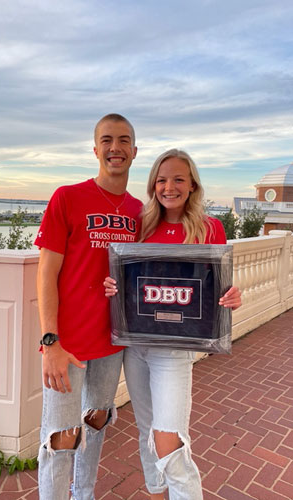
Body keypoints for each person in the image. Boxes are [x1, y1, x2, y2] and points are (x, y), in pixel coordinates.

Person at [105, 149, 241, 500]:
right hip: (136, 346)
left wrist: (232, 297)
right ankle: (156, 493)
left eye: (178, 179)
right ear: (153, 185)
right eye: (162, 180)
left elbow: (218, 290)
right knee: (146, 430)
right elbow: (130, 279)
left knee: (170, 439)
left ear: (192, 184)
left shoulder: (210, 228)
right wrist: (114, 287)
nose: (169, 187)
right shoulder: (141, 224)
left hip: (174, 352)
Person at [35, 114, 143, 500]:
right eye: (107, 140)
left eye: (124, 140)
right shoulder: (68, 197)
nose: (116, 148)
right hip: (69, 343)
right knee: (61, 437)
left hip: (113, 342)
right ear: (95, 148)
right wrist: (51, 341)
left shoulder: (139, 211)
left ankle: (84, 493)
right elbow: (46, 274)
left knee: (96, 423)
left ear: (134, 150)